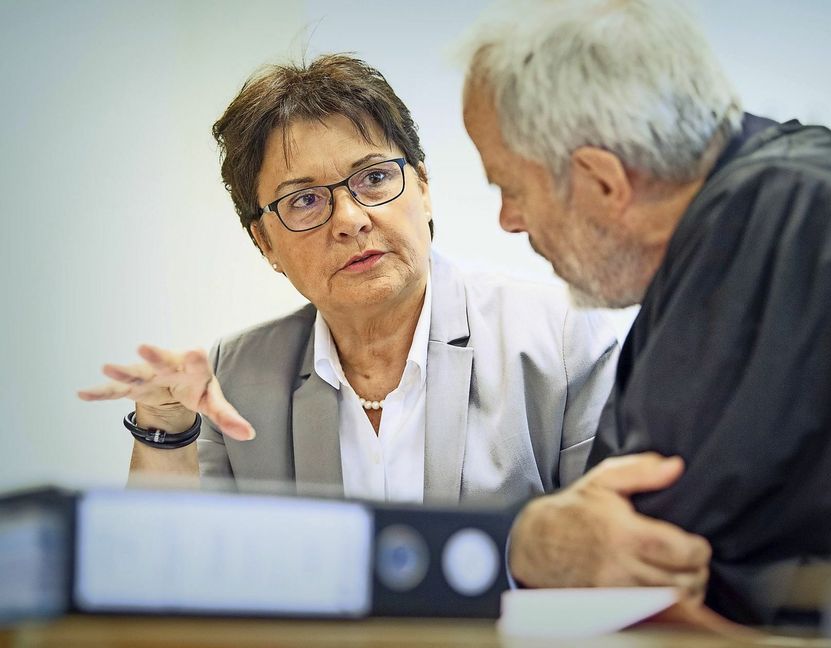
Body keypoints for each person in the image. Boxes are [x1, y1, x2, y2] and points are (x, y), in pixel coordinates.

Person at [460, 0, 831, 624]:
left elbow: (654, 573)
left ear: (603, 180)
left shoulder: (785, 218)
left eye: (510, 189)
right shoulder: (759, 209)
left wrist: (534, 542)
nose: (508, 219)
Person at [77, 54, 629, 509]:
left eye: (374, 177)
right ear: (264, 243)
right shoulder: (237, 378)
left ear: (424, 188)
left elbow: (618, 561)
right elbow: (177, 581)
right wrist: (166, 428)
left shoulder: (562, 339)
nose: (351, 219)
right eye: (305, 200)